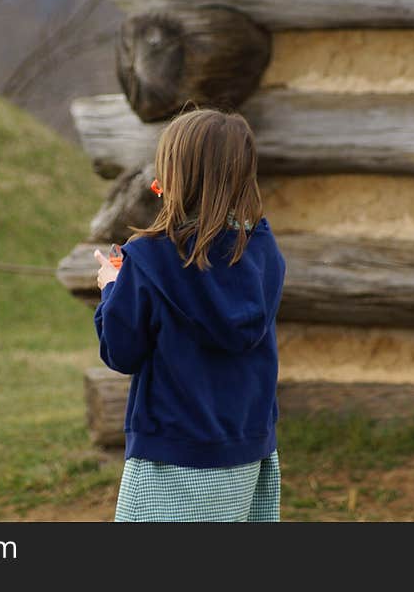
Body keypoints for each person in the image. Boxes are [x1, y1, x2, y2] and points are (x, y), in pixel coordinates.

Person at [93, 108, 286, 522]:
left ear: (175, 177)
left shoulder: (147, 258)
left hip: (172, 458)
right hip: (248, 453)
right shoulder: (263, 250)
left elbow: (121, 352)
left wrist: (112, 288)